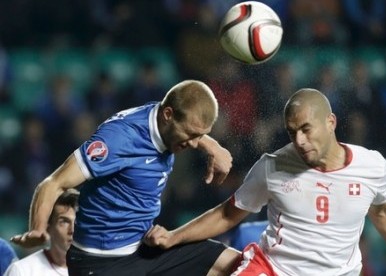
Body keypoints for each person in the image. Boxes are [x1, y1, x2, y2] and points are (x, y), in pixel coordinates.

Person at [148, 88, 386, 275]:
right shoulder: (273, 166)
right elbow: (228, 214)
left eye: (306, 129)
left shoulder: (372, 166)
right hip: (273, 269)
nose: (300, 140)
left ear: (330, 122)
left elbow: (383, 213)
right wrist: (173, 237)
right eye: (292, 132)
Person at [11, 80, 240, 276]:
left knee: (237, 265)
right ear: (168, 115)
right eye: (191, 135)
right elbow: (53, 183)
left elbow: (189, 126)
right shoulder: (119, 139)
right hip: (101, 263)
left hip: (143, 248)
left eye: (199, 136)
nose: (192, 143)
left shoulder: (167, 123)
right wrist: (38, 230)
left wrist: (212, 145)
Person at [5, 189, 79, 276]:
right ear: (48, 227)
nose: (72, 230)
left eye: (78, 222)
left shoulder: (95, 269)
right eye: (64, 222)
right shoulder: (22, 271)